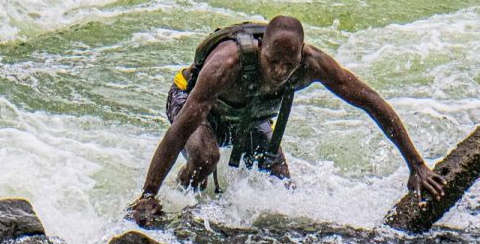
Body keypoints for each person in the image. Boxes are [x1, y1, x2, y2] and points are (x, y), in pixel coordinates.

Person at [129, 16, 446, 226]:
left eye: (288, 64)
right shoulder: (227, 64)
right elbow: (178, 131)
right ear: (259, 48)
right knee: (206, 156)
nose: (280, 71)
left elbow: (371, 102)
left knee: (282, 186)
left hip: (248, 116)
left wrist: (416, 165)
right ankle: (175, 215)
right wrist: (147, 193)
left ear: (301, 56)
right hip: (193, 103)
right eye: (272, 61)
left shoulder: (313, 65)